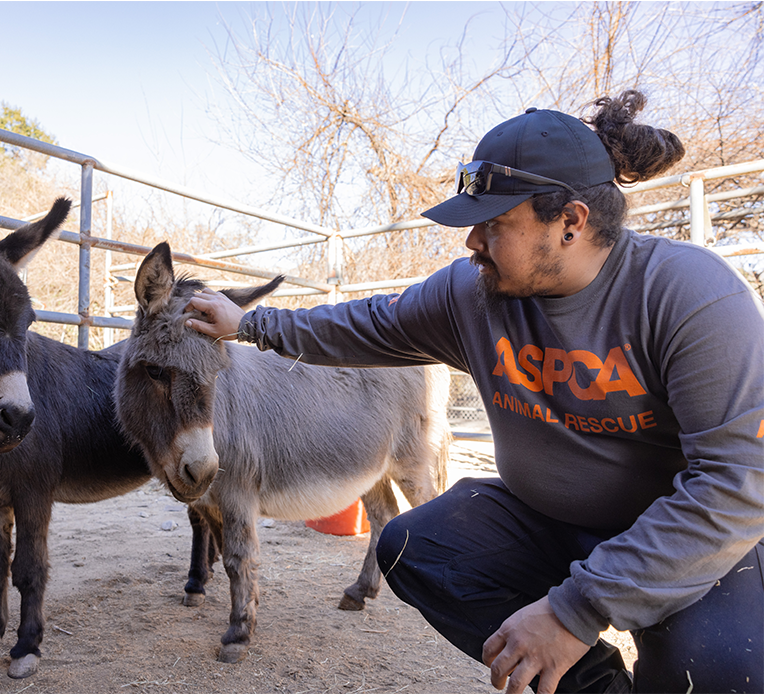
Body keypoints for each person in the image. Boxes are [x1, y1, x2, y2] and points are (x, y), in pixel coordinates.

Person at [184, 90, 764, 693]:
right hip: (543, 518)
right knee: (412, 547)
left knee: (723, 672)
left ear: (571, 221)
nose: (472, 243)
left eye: (494, 223)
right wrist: (251, 323)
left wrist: (576, 611)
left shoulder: (691, 297)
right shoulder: (473, 293)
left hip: (671, 524)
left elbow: (736, 483)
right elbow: (371, 323)